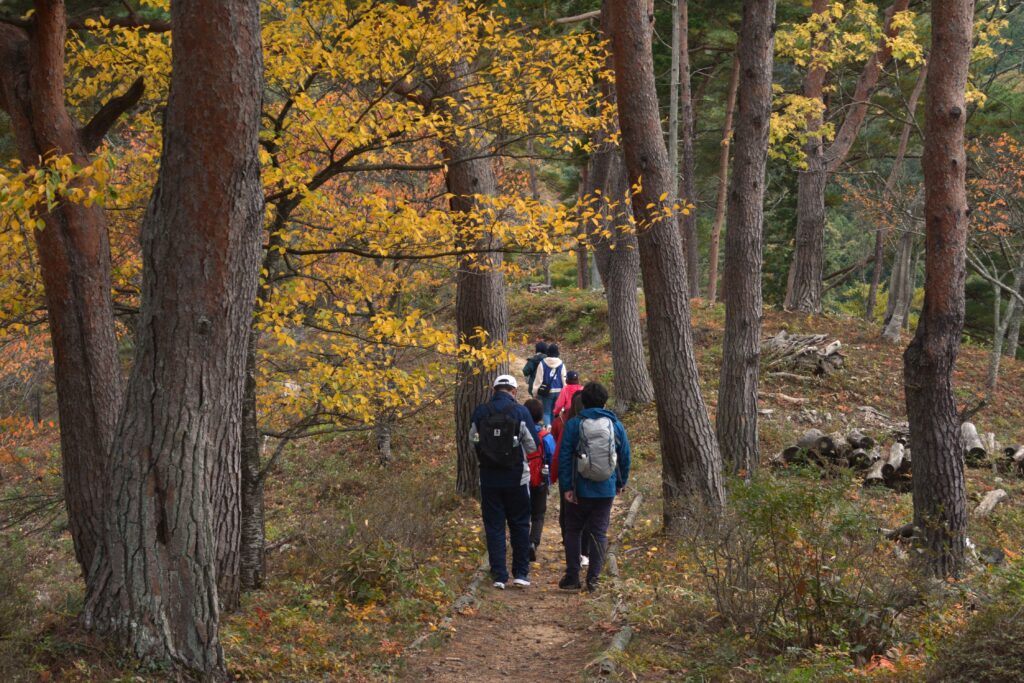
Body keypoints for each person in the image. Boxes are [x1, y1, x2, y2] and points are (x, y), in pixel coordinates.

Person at [557, 382, 631, 592]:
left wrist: (566, 487)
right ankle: (594, 580)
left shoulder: (574, 424)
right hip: (605, 488)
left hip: (579, 489)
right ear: (605, 402)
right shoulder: (615, 424)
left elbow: (564, 457)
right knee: (598, 533)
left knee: (573, 530)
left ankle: (572, 577)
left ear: (583, 402)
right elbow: (625, 456)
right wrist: (620, 482)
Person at [470, 374, 537, 590]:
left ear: (494, 391)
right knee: (520, 524)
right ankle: (521, 573)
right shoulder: (521, 411)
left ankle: (499, 575)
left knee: (494, 526)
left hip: (489, 478)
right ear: (514, 392)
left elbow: (472, 439)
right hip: (517, 478)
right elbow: (533, 445)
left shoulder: (481, 411)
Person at [524, 398, 556, 562]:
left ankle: (522, 542)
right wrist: (550, 478)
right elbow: (552, 457)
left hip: (521, 479)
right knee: (538, 514)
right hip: (540, 479)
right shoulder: (546, 436)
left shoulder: (519, 433)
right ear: (541, 416)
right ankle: (533, 542)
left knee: (522, 513)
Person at [531, 343, 566, 426]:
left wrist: (535, 392)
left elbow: (538, 379)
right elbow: (564, 379)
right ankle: (553, 430)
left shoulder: (543, 363)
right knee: (554, 412)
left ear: (548, 352)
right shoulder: (561, 364)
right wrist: (565, 393)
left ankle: (547, 429)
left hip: (547, 392)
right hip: (559, 391)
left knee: (546, 412)